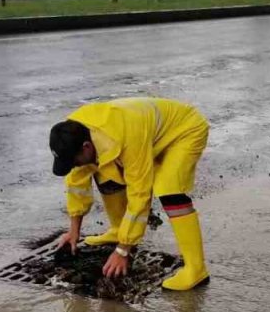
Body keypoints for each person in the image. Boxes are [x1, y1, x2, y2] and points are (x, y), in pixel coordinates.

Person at [48, 97, 210, 291]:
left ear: (86, 147)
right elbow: (77, 183)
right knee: (103, 169)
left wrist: (123, 250)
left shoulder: (127, 138)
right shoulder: (72, 133)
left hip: (183, 130)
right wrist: (73, 230)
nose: (74, 165)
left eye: (74, 161)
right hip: (146, 134)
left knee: (168, 188)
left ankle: (196, 268)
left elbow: (140, 194)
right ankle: (118, 229)